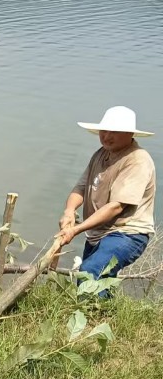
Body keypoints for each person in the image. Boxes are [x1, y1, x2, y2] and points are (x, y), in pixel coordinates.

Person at [59, 105, 155, 281]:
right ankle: (100, 309)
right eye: (104, 130)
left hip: (127, 233)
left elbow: (116, 207)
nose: (107, 136)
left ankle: (87, 309)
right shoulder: (100, 154)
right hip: (98, 232)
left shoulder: (137, 160)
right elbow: (80, 188)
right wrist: (69, 211)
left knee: (90, 273)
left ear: (130, 134)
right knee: (97, 281)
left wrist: (76, 229)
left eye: (115, 131)